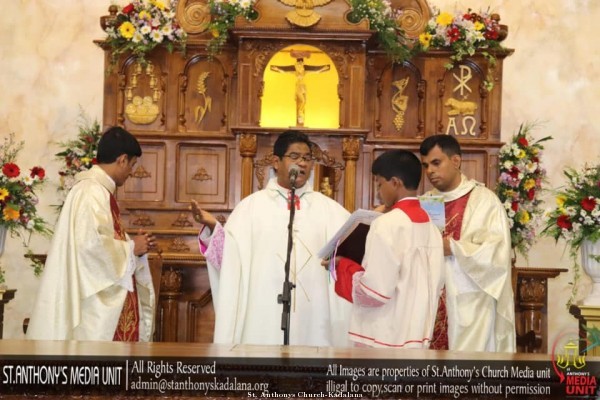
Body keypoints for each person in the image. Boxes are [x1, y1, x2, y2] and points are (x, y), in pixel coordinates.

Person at [192, 130, 351, 346]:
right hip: (264, 312)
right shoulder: (250, 208)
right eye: (294, 156)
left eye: (307, 158)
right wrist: (213, 228)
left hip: (315, 315)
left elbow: (353, 253)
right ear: (276, 162)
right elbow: (231, 261)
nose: (302, 163)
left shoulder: (331, 211)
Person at [27, 127, 156, 341]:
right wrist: (132, 248)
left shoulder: (97, 190)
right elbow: (91, 247)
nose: (131, 172)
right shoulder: (91, 192)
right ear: (122, 160)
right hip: (92, 308)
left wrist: (133, 246)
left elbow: (100, 239)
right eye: (132, 165)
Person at [328, 150, 444, 348]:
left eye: (379, 184)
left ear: (395, 182)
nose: (378, 192)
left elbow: (375, 291)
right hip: (417, 334)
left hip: (385, 336)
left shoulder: (386, 224)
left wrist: (342, 266)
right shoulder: (431, 227)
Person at [419, 134, 516, 352]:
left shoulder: (484, 200)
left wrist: (453, 248)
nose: (430, 171)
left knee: (468, 368)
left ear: (456, 161)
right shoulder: (427, 202)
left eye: (436, 163)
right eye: (425, 166)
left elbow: (496, 254)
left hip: (472, 305)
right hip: (432, 301)